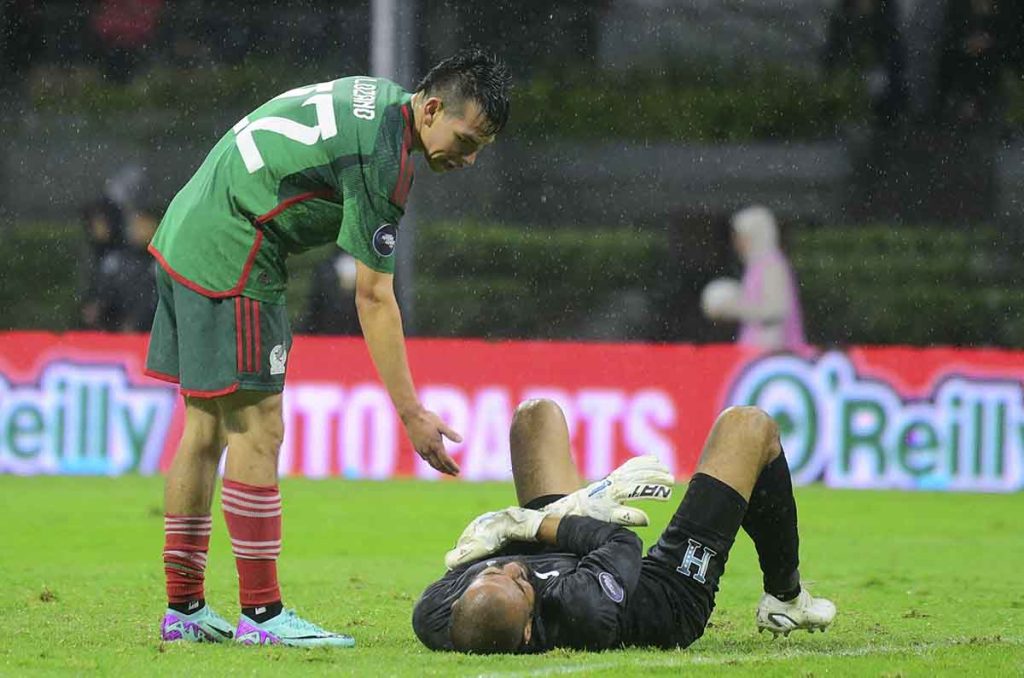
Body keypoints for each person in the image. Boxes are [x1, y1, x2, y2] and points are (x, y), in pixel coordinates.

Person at [147, 49, 511, 647]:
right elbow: (372, 298)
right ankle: (262, 616)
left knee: (205, 430)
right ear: (433, 107)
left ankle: (184, 608)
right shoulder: (382, 157)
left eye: (480, 149)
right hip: (232, 249)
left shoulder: (377, 99)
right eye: (466, 139)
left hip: (187, 230)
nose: (468, 159)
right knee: (258, 429)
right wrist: (411, 412)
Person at [412, 399, 836, 653]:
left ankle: (549, 522)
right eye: (520, 585)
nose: (510, 569)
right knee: (750, 426)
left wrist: (514, 531)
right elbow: (619, 541)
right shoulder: (581, 611)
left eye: (494, 572)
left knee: (534, 417)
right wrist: (566, 510)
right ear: (527, 629)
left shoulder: (435, 614)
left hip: (564, 553)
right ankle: (786, 597)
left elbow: (491, 566)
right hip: (662, 594)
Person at [702, 206, 807, 354]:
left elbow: (776, 310)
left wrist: (733, 307)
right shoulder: (757, 266)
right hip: (758, 354)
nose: (737, 243)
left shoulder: (772, 265)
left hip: (773, 354)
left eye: (741, 236)